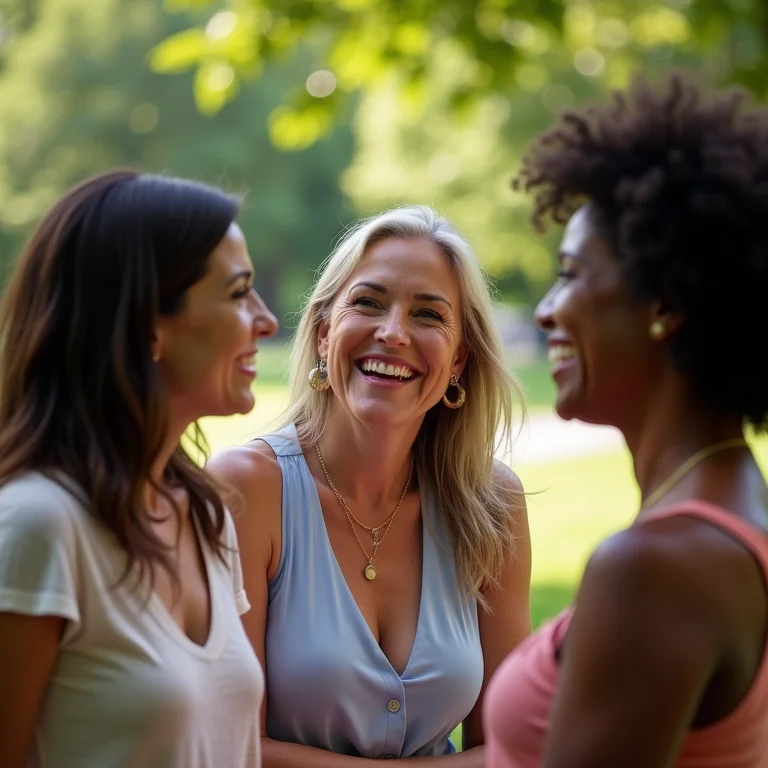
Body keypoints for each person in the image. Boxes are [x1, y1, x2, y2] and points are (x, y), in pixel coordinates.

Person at [484, 74, 768, 768]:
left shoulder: (654, 568)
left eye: (573, 274)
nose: (547, 309)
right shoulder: (737, 509)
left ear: (663, 305)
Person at [208, 205, 532, 765]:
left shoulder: (492, 504)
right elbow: (230, 746)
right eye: (368, 302)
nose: (393, 333)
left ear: (459, 360)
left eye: (428, 315)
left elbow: (513, 745)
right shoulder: (247, 490)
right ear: (324, 331)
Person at [0, 170, 279, 768]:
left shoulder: (207, 517)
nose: (266, 319)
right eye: (237, 293)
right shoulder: (37, 526)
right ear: (148, 325)